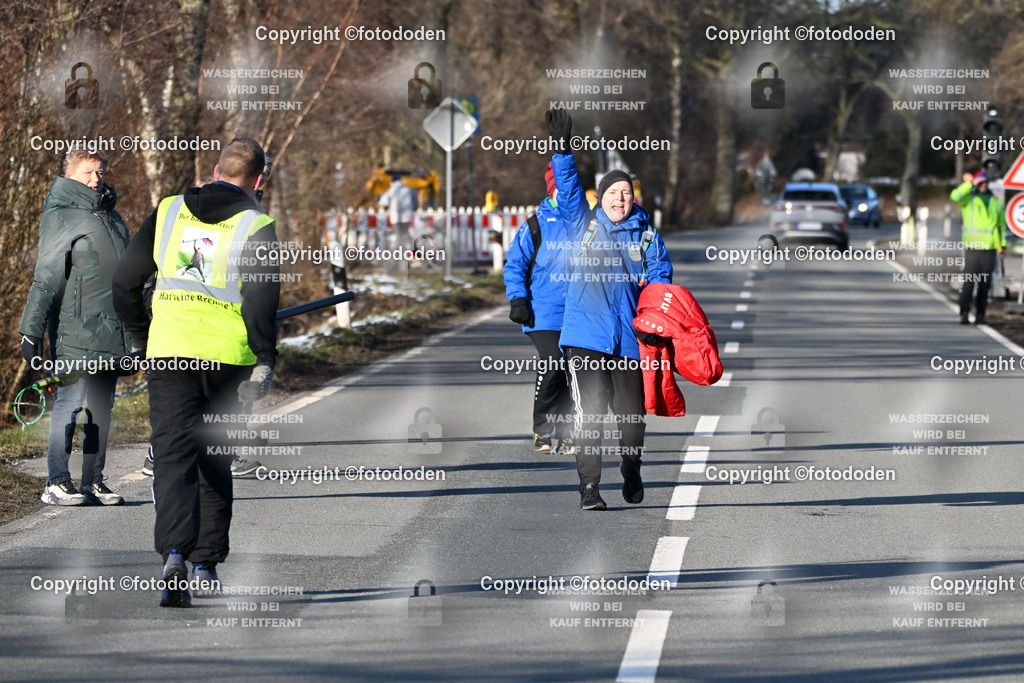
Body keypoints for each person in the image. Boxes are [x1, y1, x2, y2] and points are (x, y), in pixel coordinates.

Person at [112, 137, 280, 607]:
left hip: (170, 355)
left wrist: (139, 335)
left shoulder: (167, 211)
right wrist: (266, 359)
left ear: (214, 167)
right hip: (228, 360)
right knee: (214, 460)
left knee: (172, 457)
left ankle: (173, 556)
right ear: (259, 179)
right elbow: (262, 302)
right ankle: (206, 564)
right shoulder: (257, 226)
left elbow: (125, 280)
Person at [546, 108, 673, 511]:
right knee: (590, 413)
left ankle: (631, 466)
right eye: (613, 193)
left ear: (633, 198)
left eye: (626, 193)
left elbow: (661, 282)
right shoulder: (581, 224)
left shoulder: (648, 236)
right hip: (585, 336)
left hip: (631, 342)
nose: (620, 199)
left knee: (631, 419)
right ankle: (589, 488)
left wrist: (656, 322)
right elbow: (567, 188)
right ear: (600, 198)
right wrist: (563, 148)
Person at [19, 150, 130, 506]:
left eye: (99, 172)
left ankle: (93, 481)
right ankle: (56, 482)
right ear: (69, 174)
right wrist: (30, 330)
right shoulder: (61, 216)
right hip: (76, 330)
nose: (96, 179)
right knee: (70, 404)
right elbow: (47, 277)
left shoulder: (112, 217)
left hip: (112, 329)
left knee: (101, 409)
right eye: (87, 173)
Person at [504, 163, 575, 455]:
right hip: (543, 311)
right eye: (559, 187)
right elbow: (515, 265)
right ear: (551, 190)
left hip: (578, 311)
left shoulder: (585, 222)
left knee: (576, 369)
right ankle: (542, 429)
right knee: (554, 360)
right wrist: (518, 299)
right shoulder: (534, 225)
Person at [951, 170, 1005, 325]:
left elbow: (1000, 226)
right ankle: (964, 312)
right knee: (968, 282)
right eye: (980, 182)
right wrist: (970, 183)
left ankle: (981, 315)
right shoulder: (969, 199)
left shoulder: (996, 201)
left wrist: (1002, 246)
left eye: (986, 182)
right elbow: (955, 196)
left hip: (989, 248)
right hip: (972, 247)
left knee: (985, 284)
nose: (984, 185)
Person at [378, 173, 419, 253]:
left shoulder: (392, 190)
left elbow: (383, 202)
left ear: (393, 182)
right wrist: (412, 209)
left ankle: (396, 255)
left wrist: (386, 207)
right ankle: (414, 250)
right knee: (405, 233)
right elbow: (416, 203)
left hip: (396, 218)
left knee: (399, 235)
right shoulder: (408, 189)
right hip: (407, 217)